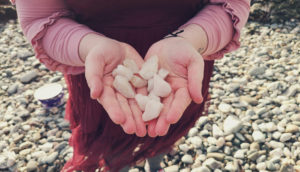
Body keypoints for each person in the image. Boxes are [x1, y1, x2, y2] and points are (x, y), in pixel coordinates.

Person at [13, 0, 250, 171]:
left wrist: (191, 39)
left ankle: (155, 163)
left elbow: (230, 4)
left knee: (168, 127)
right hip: (101, 67)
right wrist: (89, 47)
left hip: (181, 64)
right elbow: (41, 18)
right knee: (113, 143)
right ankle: (119, 165)